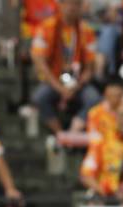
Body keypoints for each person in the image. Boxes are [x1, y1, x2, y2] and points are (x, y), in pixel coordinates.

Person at [31, 0, 100, 133]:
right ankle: (60, 134)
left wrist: (77, 85)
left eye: (76, 4)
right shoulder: (46, 27)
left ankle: (75, 129)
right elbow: (40, 62)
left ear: (80, 7)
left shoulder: (87, 30)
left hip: (78, 82)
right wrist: (60, 88)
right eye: (68, 3)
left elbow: (90, 68)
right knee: (39, 98)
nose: (72, 7)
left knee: (94, 99)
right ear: (60, 4)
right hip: (53, 80)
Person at [87, 76, 123, 141]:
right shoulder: (95, 114)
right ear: (105, 94)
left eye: (118, 96)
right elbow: (94, 141)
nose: (115, 100)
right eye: (111, 96)